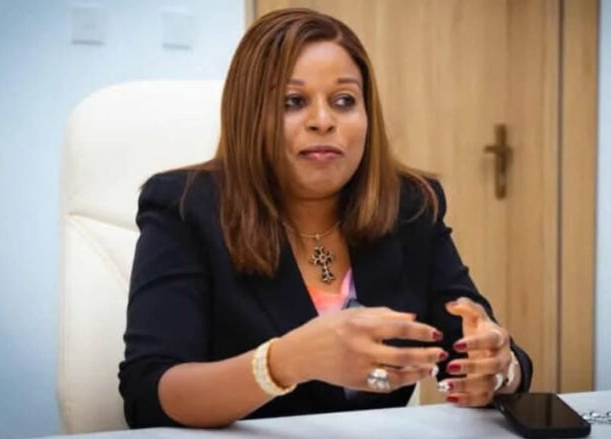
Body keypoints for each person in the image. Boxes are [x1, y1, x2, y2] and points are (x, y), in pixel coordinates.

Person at [118, 8, 532, 429]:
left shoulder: (409, 207)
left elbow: (475, 346)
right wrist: (283, 362)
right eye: (293, 102)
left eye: (344, 101)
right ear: (249, 116)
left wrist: (500, 369)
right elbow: (148, 395)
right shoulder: (184, 207)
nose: (323, 121)